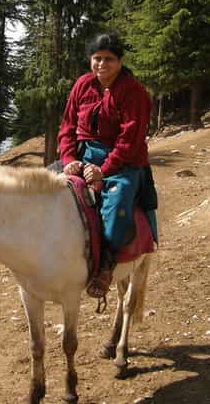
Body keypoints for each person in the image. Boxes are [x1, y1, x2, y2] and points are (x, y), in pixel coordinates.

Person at [58, 33, 153, 298]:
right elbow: (67, 127)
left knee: (117, 203)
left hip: (124, 161)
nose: (102, 64)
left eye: (109, 59)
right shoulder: (82, 85)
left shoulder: (133, 91)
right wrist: (69, 160)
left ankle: (106, 266)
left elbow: (130, 138)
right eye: (97, 58)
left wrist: (105, 170)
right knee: (44, 191)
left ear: (119, 61)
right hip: (82, 154)